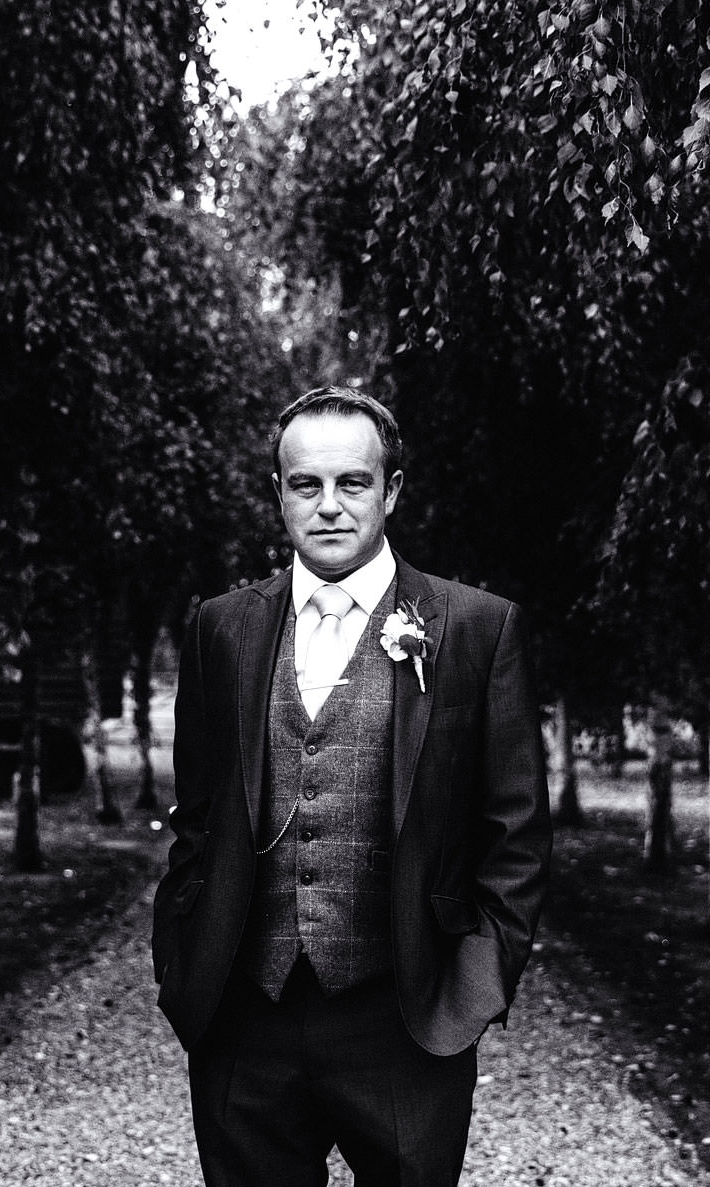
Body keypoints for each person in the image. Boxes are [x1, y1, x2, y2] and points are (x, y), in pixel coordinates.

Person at [152, 386, 552, 1186]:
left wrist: (473, 989)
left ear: (392, 489)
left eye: (353, 483)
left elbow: (516, 833)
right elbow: (194, 820)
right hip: (245, 1018)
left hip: (404, 1020)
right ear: (278, 493)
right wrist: (182, 959)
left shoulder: (475, 627)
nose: (329, 506)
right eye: (306, 484)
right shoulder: (221, 628)